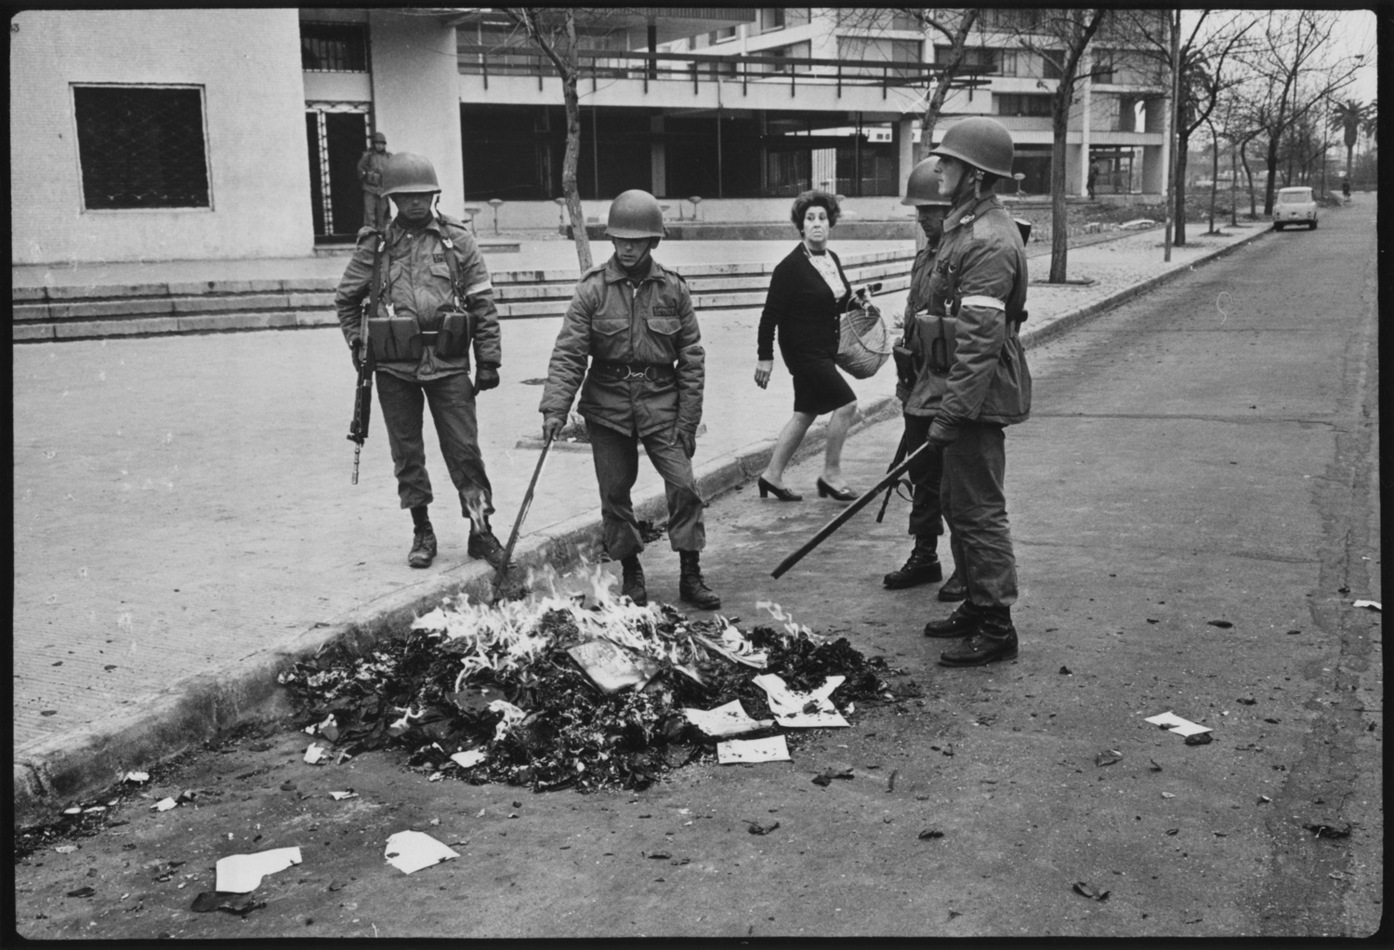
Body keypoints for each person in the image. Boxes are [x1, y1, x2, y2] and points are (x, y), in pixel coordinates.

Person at [539, 189, 720, 611]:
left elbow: (692, 358)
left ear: (653, 241)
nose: (627, 246)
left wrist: (687, 421)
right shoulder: (593, 290)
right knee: (614, 493)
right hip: (607, 406)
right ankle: (632, 571)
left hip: (661, 402)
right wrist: (554, 409)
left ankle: (690, 573)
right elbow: (569, 352)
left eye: (636, 240)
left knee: (683, 486)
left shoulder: (673, 290)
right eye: (620, 238)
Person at [335, 151, 508, 571]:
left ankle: (481, 529)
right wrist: (360, 346)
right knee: (407, 453)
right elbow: (346, 300)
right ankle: (422, 530)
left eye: (423, 194)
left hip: (448, 364)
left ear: (434, 194)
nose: (415, 203)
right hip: (395, 368)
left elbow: (483, 303)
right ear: (392, 199)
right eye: (405, 196)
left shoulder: (457, 240)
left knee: (465, 450)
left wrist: (488, 360)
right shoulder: (376, 247)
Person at [918, 117, 1032, 667]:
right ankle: (975, 600)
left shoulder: (986, 241)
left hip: (975, 394)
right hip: (960, 388)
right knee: (956, 502)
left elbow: (980, 343)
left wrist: (950, 415)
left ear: (977, 175)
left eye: (949, 160)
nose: (938, 166)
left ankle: (996, 623)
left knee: (980, 509)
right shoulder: (966, 228)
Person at [882, 159, 965, 602]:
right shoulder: (927, 256)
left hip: (949, 386)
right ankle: (925, 553)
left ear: (948, 208)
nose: (920, 218)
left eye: (927, 211)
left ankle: (966, 568)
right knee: (922, 475)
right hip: (918, 385)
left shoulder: (962, 255)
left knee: (955, 483)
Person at [753, 190, 859, 503]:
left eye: (822, 218)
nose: (816, 224)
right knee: (847, 404)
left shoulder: (832, 259)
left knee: (805, 413)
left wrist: (857, 302)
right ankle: (830, 474)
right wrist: (764, 358)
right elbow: (769, 316)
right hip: (803, 352)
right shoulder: (790, 267)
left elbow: (834, 303)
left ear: (831, 224)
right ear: (801, 226)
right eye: (809, 219)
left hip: (824, 349)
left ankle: (771, 475)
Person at [357, 131, 391, 230]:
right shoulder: (368, 156)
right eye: (377, 143)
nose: (379, 146)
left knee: (383, 215)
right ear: (374, 144)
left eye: (382, 144)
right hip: (370, 189)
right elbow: (360, 170)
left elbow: (394, 170)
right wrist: (368, 176)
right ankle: (369, 239)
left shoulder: (389, 157)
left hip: (383, 189)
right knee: (369, 214)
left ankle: (383, 238)